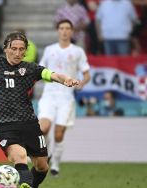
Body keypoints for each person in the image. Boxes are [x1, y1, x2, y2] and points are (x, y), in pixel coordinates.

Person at [0, 31, 80, 188]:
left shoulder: (30, 69)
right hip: (6, 124)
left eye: (21, 49)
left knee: (42, 167)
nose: (18, 53)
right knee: (20, 157)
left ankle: (26, 185)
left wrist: (67, 80)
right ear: (5, 48)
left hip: (30, 123)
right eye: (14, 48)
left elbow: (53, 75)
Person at [38, 19, 91, 177]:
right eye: (61, 28)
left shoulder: (78, 51)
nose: (64, 31)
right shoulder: (49, 50)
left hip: (66, 97)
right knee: (43, 128)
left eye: (68, 28)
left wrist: (81, 83)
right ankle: (45, 155)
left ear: (72, 31)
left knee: (59, 133)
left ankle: (55, 164)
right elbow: (40, 70)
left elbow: (86, 74)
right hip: (49, 95)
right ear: (58, 30)